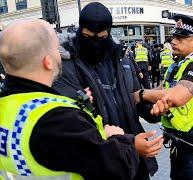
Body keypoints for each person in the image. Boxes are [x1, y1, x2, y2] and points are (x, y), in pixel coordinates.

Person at [0, 19, 141, 180]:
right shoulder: (59, 119)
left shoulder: (6, 107)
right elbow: (119, 168)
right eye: (56, 49)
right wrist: (118, 137)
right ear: (48, 62)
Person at [52, 3, 164, 179]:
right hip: (100, 161)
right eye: (88, 36)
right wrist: (127, 144)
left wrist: (152, 109)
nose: (95, 42)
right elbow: (72, 123)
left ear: (109, 33)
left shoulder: (122, 58)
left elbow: (134, 97)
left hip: (133, 159)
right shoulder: (65, 66)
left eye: (102, 36)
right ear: (80, 30)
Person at [134, 14, 193, 180]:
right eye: (174, 37)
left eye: (181, 38)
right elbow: (163, 89)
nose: (173, 41)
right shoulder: (177, 65)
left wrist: (140, 95)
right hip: (178, 144)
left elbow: (177, 96)